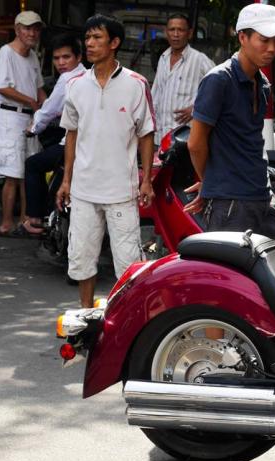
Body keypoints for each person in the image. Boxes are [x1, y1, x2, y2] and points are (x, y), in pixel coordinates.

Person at [57, 14, 156, 308]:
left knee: (128, 264)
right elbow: (72, 135)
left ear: (114, 43)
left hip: (121, 191)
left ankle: (124, 320)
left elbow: (147, 134)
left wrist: (147, 179)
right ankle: (86, 314)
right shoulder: (75, 85)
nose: (89, 43)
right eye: (87, 38)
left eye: (97, 38)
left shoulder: (136, 84)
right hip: (83, 189)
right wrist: (66, 180)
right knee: (82, 258)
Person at [184, 3, 275, 239]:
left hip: (262, 196)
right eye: (264, 40)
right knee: (232, 274)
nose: (272, 48)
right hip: (231, 203)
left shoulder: (263, 83)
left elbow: (250, 141)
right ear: (243, 37)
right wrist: (211, 182)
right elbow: (195, 143)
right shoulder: (219, 80)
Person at [20, 34, 86, 236]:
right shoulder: (88, 75)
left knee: (32, 164)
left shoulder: (67, 79)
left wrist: (33, 128)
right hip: (88, 145)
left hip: (72, 143)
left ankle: (35, 218)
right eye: (57, 59)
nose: (61, 63)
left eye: (66, 57)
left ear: (78, 57)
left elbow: (48, 110)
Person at [0, 11, 46, 238]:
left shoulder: (33, 56)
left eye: (35, 28)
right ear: (17, 29)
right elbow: (2, 87)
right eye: (27, 28)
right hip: (9, 117)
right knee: (13, 175)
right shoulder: (6, 52)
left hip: (29, 118)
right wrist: (32, 102)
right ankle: (6, 223)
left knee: (30, 171)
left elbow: (39, 89)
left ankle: (26, 220)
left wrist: (50, 107)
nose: (32, 33)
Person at [151, 14, 214, 146]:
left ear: (189, 33)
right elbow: (155, 95)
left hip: (185, 142)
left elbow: (220, 90)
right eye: (172, 29)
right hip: (159, 139)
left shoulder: (199, 60)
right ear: (166, 32)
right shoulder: (163, 58)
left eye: (180, 30)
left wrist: (196, 109)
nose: (175, 34)